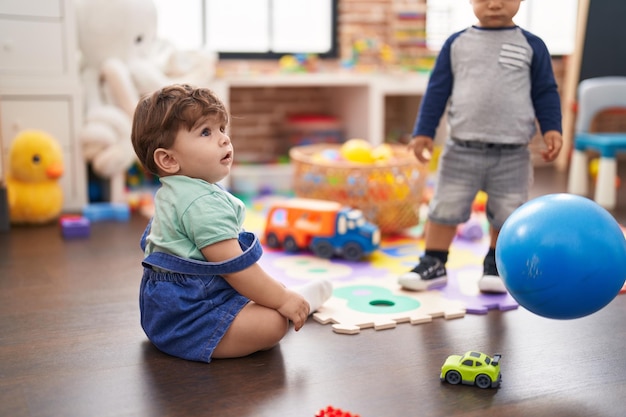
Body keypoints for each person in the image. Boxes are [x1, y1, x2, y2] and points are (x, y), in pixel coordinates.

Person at [131, 84, 332, 362]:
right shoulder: (202, 204)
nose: (224, 140)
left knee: (265, 292)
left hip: (166, 314)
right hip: (188, 320)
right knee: (273, 321)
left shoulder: (173, 191)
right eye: (205, 132)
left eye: (222, 128)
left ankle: (286, 297)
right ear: (168, 159)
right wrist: (282, 300)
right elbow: (236, 270)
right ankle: (298, 302)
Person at [399, 0, 563, 294]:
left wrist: (552, 129)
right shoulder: (456, 44)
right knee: (444, 208)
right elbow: (437, 89)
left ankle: (496, 265)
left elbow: (545, 91)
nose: (495, 3)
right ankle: (433, 263)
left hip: (513, 153)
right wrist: (424, 131)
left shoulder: (531, 45)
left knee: (508, 212)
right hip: (461, 149)